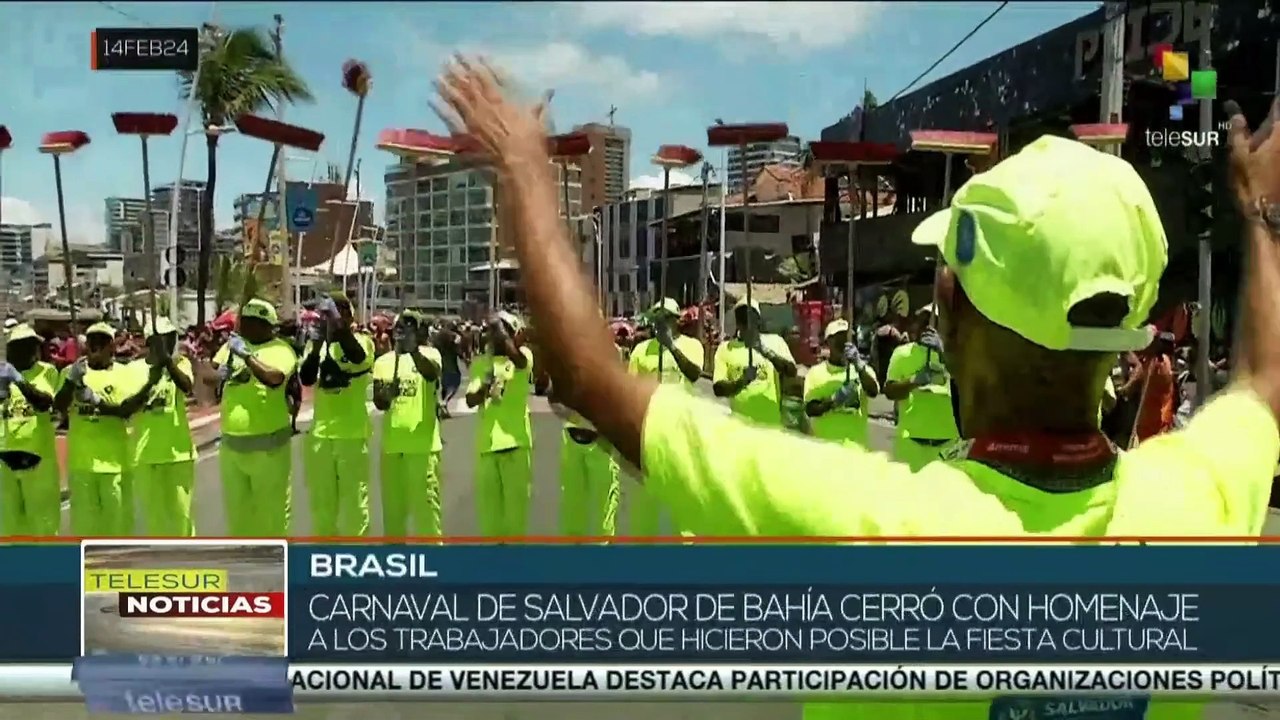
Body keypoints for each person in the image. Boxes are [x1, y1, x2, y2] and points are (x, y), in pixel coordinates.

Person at [432, 66, 1280, 720]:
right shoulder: (1194, 505)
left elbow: (586, 376)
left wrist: (525, 171)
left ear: (948, 308)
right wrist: (1261, 215)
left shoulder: (881, 532)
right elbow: (1264, 384)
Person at [54, 322, 158, 536]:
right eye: (92, 340)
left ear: (113, 346)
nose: (96, 345)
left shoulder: (125, 373)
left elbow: (126, 410)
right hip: (82, 467)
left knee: (117, 529)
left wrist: (94, 400)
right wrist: (71, 382)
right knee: (85, 529)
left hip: (116, 466)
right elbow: (58, 409)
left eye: (103, 341)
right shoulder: (71, 371)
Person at [212, 299, 296, 536]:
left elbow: (274, 378)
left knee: (271, 519)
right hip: (232, 448)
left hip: (268, 450)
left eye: (255, 323)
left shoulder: (281, 349)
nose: (248, 327)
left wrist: (247, 357)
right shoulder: (232, 346)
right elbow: (210, 375)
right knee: (239, 520)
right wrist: (213, 372)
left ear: (269, 326)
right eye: (246, 321)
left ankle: (275, 566)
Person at [299, 293, 376, 536]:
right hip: (320, 435)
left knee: (354, 503)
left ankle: (355, 560)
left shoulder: (363, 341)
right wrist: (317, 345)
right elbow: (307, 378)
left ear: (348, 316)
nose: (328, 319)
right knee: (322, 504)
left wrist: (338, 326)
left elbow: (358, 358)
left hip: (351, 434)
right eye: (325, 314)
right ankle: (326, 558)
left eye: (335, 312)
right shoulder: (317, 344)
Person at [626, 299, 704, 535]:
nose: (661, 324)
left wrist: (670, 346)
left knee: (684, 506)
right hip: (650, 436)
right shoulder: (641, 350)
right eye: (657, 319)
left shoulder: (692, 346)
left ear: (676, 321)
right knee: (645, 507)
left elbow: (694, 374)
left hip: (681, 433)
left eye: (666, 318)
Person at [372, 311, 444, 537]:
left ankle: (434, 564)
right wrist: (386, 395)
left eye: (412, 326)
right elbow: (379, 402)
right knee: (393, 518)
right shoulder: (383, 362)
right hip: (392, 449)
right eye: (402, 326)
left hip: (422, 449)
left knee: (427, 517)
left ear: (420, 331)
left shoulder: (430, 354)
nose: (406, 330)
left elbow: (432, 375)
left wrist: (412, 350)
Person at [465, 311, 534, 537]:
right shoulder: (482, 363)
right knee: (490, 520)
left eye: (497, 330)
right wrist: (485, 382)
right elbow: (470, 399)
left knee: (515, 519)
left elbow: (520, 362)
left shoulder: (523, 357)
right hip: (487, 446)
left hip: (516, 444)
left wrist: (503, 334)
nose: (491, 336)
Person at [125, 318, 196, 536]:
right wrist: (149, 383)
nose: (170, 343)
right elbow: (127, 408)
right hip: (145, 456)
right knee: (155, 518)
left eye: (171, 338)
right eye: (164, 339)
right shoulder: (133, 369)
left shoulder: (180, 363)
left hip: (178, 454)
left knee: (181, 516)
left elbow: (187, 387)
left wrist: (167, 363)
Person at [0, 324, 61, 536]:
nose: (33, 350)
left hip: (37, 460)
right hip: (5, 461)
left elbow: (44, 403)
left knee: (43, 524)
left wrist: (19, 379)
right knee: (10, 526)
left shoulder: (46, 372)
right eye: (25, 346)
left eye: (34, 345)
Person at [883, 306, 959, 471]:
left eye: (933, 322)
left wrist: (944, 355)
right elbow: (889, 391)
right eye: (922, 321)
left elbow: (968, 387)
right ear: (914, 326)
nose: (927, 326)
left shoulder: (956, 355)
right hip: (911, 444)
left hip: (948, 446)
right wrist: (913, 381)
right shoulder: (902, 354)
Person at [712, 297, 797, 426]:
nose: (746, 322)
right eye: (742, 317)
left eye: (750, 317)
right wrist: (741, 382)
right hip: (739, 426)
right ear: (737, 322)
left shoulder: (775, 341)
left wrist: (763, 350)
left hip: (770, 425)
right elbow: (718, 389)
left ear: (758, 320)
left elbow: (791, 371)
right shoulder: (725, 348)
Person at [804, 319, 881, 447]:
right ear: (828, 342)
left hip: (855, 449)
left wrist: (859, 366)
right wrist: (833, 401)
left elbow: (873, 391)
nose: (843, 343)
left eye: (846, 338)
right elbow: (810, 409)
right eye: (838, 338)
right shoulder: (815, 373)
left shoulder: (864, 370)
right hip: (825, 449)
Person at [434, 321, 464, 418]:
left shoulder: (438, 335)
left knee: (444, 386)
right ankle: (444, 402)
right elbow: (457, 346)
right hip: (451, 363)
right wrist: (463, 357)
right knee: (455, 383)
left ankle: (443, 409)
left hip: (440, 362)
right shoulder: (453, 335)